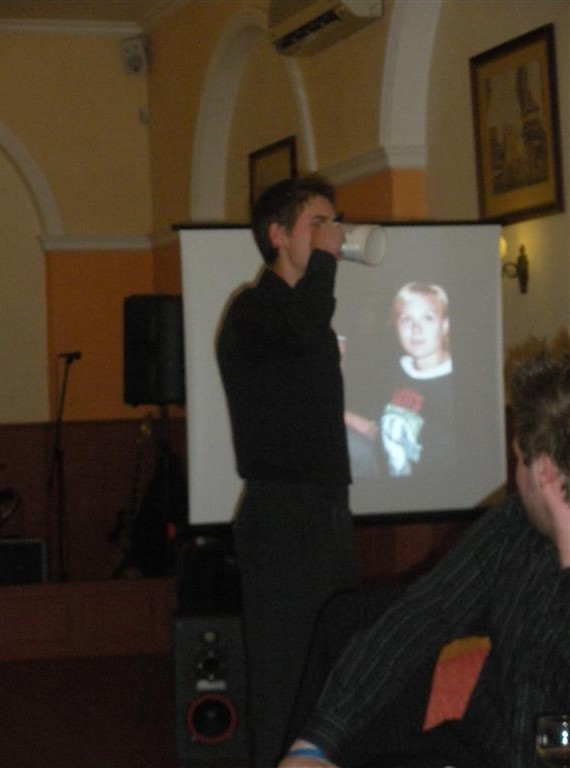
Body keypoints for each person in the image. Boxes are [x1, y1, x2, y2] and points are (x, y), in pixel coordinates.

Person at [280, 351, 570, 768]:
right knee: (349, 619)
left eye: (518, 460)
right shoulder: (514, 526)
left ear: (542, 471)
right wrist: (315, 744)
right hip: (473, 752)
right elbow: (423, 615)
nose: (516, 477)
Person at [216, 176, 359, 768]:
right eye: (316, 224)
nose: (331, 235)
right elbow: (301, 327)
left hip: (325, 509)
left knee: (333, 664)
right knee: (283, 677)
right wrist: (325, 263)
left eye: (333, 223)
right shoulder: (253, 311)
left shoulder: (302, 315)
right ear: (277, 235)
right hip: (281, 516)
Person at [380, 282, 454, 478]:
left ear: (445, 325)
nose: (416, 329)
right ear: (396, 326)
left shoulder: (460, 383)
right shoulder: (394, 371)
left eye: (428, 318)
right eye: (406, 319)